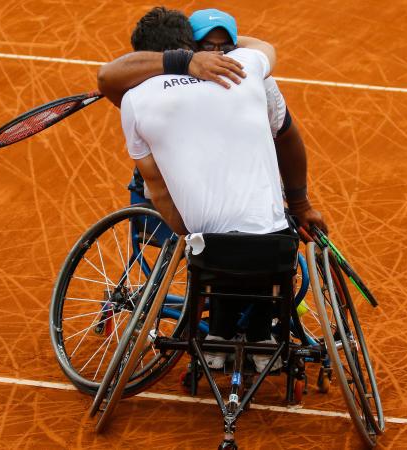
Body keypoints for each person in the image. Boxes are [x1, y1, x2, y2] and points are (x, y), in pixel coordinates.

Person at [96, 7, 310, 371]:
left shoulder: (134, 98)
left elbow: (108, 77)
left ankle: (217, 338)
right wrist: (301, 204)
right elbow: (265, 52)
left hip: (205, 245)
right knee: (260, 237)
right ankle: (260, 340)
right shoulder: (249, 68)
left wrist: (186, 228)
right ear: (191, 46)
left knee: (210, 243)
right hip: (272, 246)